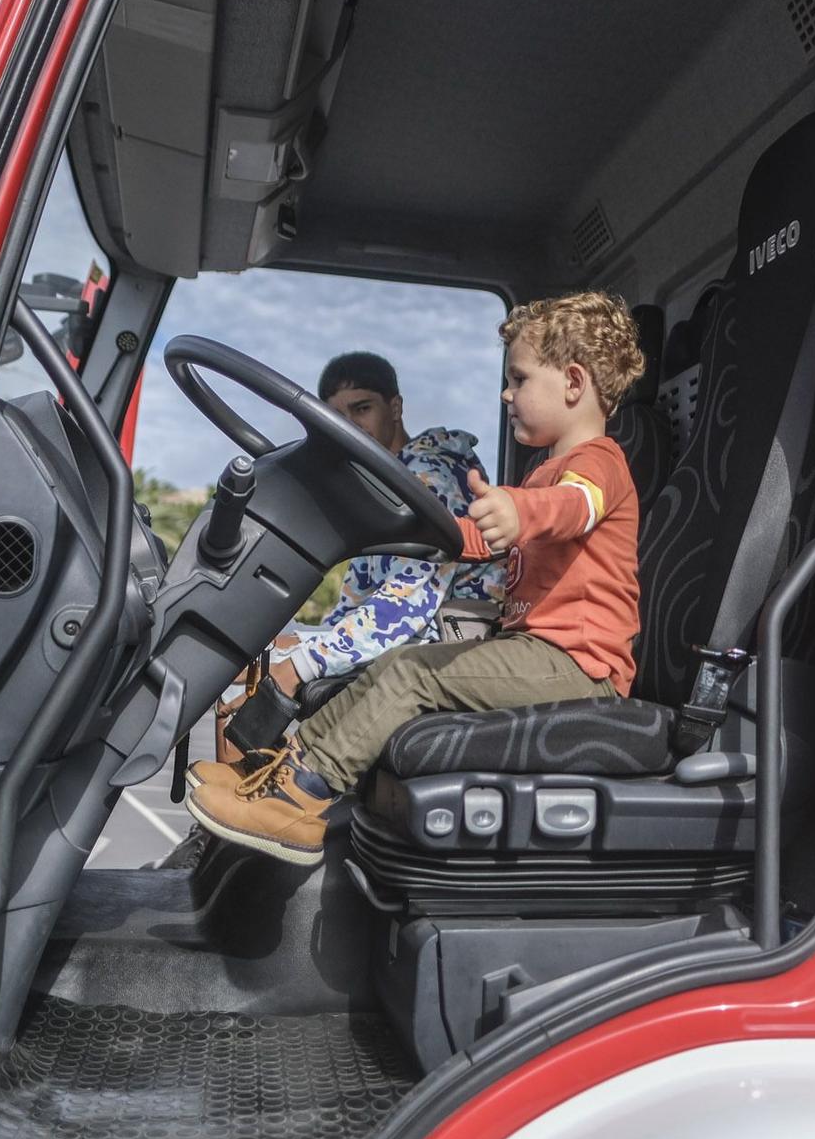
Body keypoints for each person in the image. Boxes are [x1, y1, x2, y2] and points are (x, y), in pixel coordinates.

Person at [186, 291, 647, 864]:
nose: (507, 393)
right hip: (538, 653)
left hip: (581, 670)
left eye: (520, 379)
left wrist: (519, 511)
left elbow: (571, 509)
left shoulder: (596, 464)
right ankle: (284, 769)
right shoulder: (544, 470)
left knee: (412, 675)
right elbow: (470, 541)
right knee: (392, 668)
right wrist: (438, 529)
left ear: (573, 383)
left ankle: (300, 803)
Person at [193, 350, 502, 785]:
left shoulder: (427, 479)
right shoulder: (378, 488)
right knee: (251, 654)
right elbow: (355, 605)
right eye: (336, 416)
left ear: (394, 408)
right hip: (411, 631)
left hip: (450, 638)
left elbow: (407, 607)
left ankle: (255, 799)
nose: (350, 426)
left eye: (362, 408)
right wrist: (292, 641)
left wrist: (299, 662)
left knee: (277, 668)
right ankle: (235, 806)